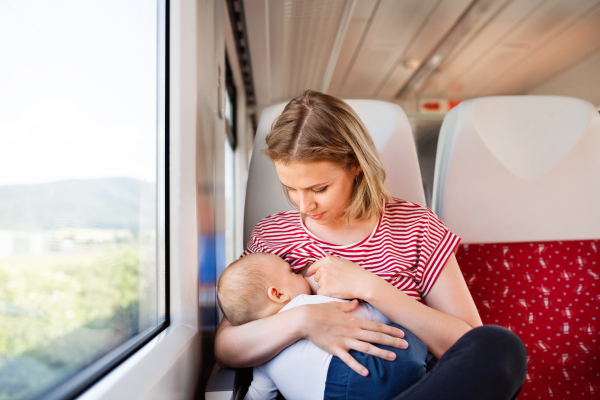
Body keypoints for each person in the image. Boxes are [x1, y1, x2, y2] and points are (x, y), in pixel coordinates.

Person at [215, 90, 527, 399]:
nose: (303, 206)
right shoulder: (274, 236)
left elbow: (468, 346)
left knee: (500, 347)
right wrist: (302, 320)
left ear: (356, 164)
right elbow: (227, 347)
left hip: (417, 387)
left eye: (318, 188)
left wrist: (371, 288)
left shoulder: (416, 226)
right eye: (291, 189)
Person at [217, 252, 428, 400]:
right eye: (291, 272)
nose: (300, 274)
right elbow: (363, 316)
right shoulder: (306, 302)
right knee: (410, 335)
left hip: (325, 395)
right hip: (362, 374)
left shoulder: (261, 354)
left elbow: (259, 395)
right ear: (278, 294)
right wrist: (389, 314)